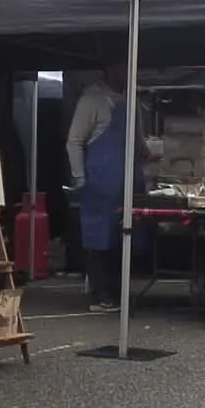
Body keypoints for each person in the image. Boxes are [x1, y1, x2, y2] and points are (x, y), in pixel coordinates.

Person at [66, 62, 148, 313]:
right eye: (124, 68)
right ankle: (101, 294)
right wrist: (79, 177)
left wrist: (147, 152)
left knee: (126, 234)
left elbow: (139, 143)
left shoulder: (131, 100)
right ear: (110, 70)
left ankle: (119, 291)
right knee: (100, 237)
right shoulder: (92, 100)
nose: (129, 73)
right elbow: (74, 141)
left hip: (129, 179)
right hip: (101, 180)